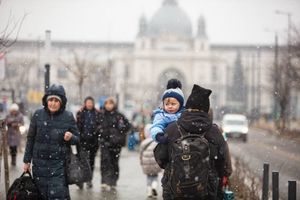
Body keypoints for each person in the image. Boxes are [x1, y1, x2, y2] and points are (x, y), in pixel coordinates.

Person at [154, 84, 231, 200]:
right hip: (207, 191)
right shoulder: (214, 131)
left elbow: (160, 157)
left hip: (175, 190)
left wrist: (178, 167)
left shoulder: (172, 128)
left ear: (187, 106)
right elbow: (225, 166)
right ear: (206, 109)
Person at [23, 84, 79, 200]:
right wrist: (27, 161)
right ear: (46, 101)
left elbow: (77, 139)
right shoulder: (38, 115)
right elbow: (30, 138)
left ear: (61, 102)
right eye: (51, 100)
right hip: (39, 165)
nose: (53, 103)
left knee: (57, 195)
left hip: (58, 165)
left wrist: (71, 137)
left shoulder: (68, 116)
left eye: (56, 100)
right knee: (40, 195)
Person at [99, 97, 131, 191]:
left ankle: (113, 181)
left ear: (114, 105)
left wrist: (119, 133)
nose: (108, 106)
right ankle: (104, 181)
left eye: (110, 103)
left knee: (114, 163)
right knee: (105, 162)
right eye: (107, 104)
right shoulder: (101, 115)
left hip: (116, 144)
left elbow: (128, 126)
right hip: (104, 143)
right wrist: (100, 132)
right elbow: (96, 126)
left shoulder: (119, 115)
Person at [76, 96, 101, 189]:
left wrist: (96, 132)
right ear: (85, 103)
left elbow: (100, 126)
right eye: (88, 102)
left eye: (91, 102)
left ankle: (89, 180)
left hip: (93, 142)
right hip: (82, 142)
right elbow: (77, 126)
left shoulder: (97, 113)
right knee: (82, 161)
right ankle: (81, 180)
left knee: (91, 162)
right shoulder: (80, 113)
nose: (89, 104)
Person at [140, 124, 161, 198]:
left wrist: (141, 162)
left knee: (149, 177)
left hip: (146, 163)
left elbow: (141, 153)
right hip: (155, 162)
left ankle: (149, 192)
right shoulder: (156, 142)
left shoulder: (144, 142)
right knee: (155, 176)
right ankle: (154, 187)